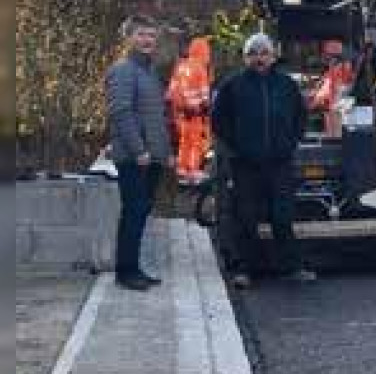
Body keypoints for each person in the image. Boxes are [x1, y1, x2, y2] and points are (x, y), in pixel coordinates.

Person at [211, 32, 315, 288]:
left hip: (279, 163)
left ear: (273, 56)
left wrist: (290, 142)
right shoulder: (232, 86)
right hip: (245, 164)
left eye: (264, 53)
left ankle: (290, 267)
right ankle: (243, 270)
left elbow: (301, 117)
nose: (259, 58)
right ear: (245, 57)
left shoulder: (286, 85)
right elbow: (218, 121)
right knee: (245, 218)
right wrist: (235, 150)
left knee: (283, 216)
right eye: (253, 53)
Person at [104, 15, 175, 291]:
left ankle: (133, 268)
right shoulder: (123, 70)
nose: (147, 40)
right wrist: (139, 150)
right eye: (142, 35)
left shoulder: (150, 72)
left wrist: (166, 151)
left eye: (151, 35)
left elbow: (158, 116)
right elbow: (121, 112)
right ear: (129, 38)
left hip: (154, 157)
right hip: (135, 157)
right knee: (133, 211)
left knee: (141, 211)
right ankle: (126, 272)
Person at [167, 36, 213, 185]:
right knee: (196, 143)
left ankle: (182, 169)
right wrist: (205, 108)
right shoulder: (200, 68)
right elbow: (204, 93)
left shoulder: (181, 66)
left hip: (178, 112)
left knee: (183, 141)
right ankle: (192, 171)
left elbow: (170, 92)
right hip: (194, 112)